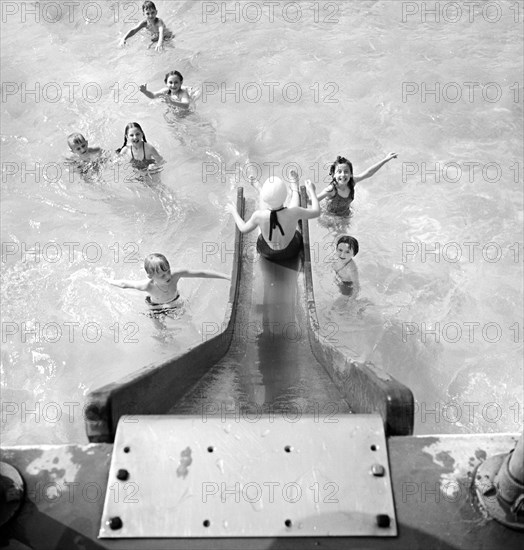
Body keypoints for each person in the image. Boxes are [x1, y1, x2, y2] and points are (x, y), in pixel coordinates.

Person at [226, 173, 320, 262]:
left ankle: (260, 190)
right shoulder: (295, 212)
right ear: (285, 196)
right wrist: (312, 191)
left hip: (267, 253)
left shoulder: (258, 215)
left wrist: (233, 211)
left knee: (263, 216)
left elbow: (243, 229)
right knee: (293, 209)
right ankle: (295, 190)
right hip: (292, 251)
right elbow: (317, 212)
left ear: (264, 197)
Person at [106, 253, 230, 313]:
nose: (168, 276)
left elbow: (201, 273)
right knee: (162, 334)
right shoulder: (147, 285)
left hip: (174, 300)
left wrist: (227, 277)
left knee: (186, 320)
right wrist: (109, 281)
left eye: (168, 271)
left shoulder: (176, 275)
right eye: (162, 275)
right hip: (156, 307)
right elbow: (124, 284)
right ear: (151, 276)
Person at [317, 153, 397, 216]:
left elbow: (369, 173)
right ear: (333, 175)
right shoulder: (331, 190)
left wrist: (386, 159)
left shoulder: (352, 182)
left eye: (346, 171)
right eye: (339, 171)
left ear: (351, 174)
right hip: (330, 216)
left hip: (345, 214)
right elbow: (313, 201)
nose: (343, 175)